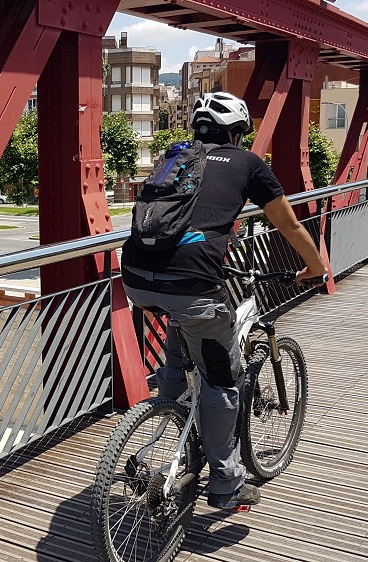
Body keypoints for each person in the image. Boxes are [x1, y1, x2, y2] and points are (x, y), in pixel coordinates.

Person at [120, 92, 329, 510]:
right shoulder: (248, 163)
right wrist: (315, 265)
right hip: (193, 284)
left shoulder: (175, 157)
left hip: (137, 278)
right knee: (221, 379)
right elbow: (286, 223)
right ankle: (226, 482)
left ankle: (172, 424)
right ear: (236, 133)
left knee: (180, 355)